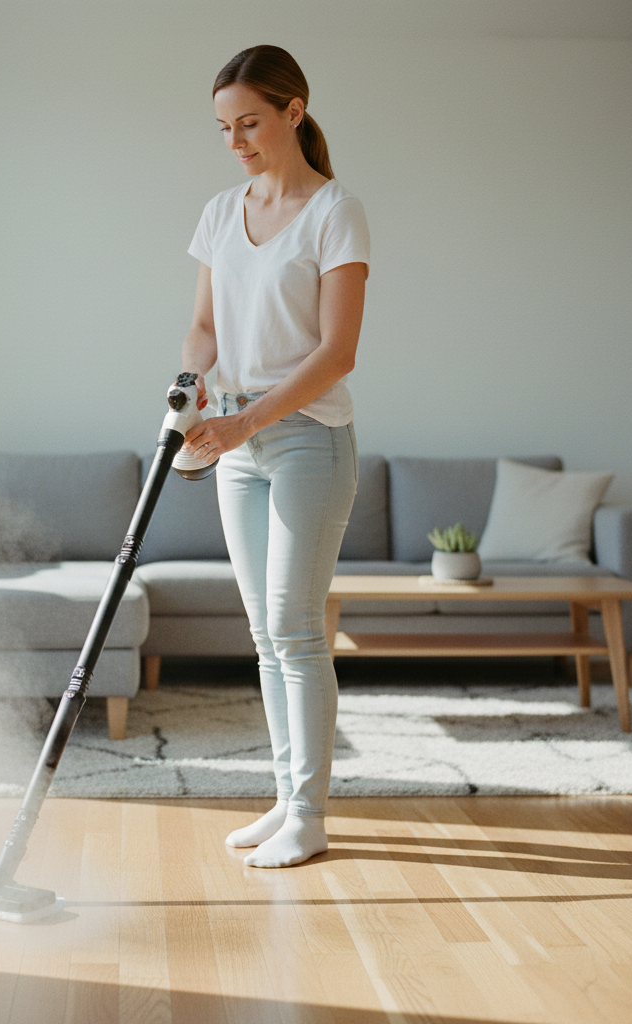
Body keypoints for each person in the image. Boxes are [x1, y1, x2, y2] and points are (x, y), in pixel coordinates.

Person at [180, 45, 369, 867]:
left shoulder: (336, 213)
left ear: (294, 111)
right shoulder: (222, 212)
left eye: (249, 123)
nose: (235, 142)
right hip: (234, 439)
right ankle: (288, 799)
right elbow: (204, 328)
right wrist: (190, 385)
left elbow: (337, 352)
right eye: (224, 128)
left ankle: (310, 816)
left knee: (296, 629)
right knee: (266, 634)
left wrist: (246, 422)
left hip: (307, 440)